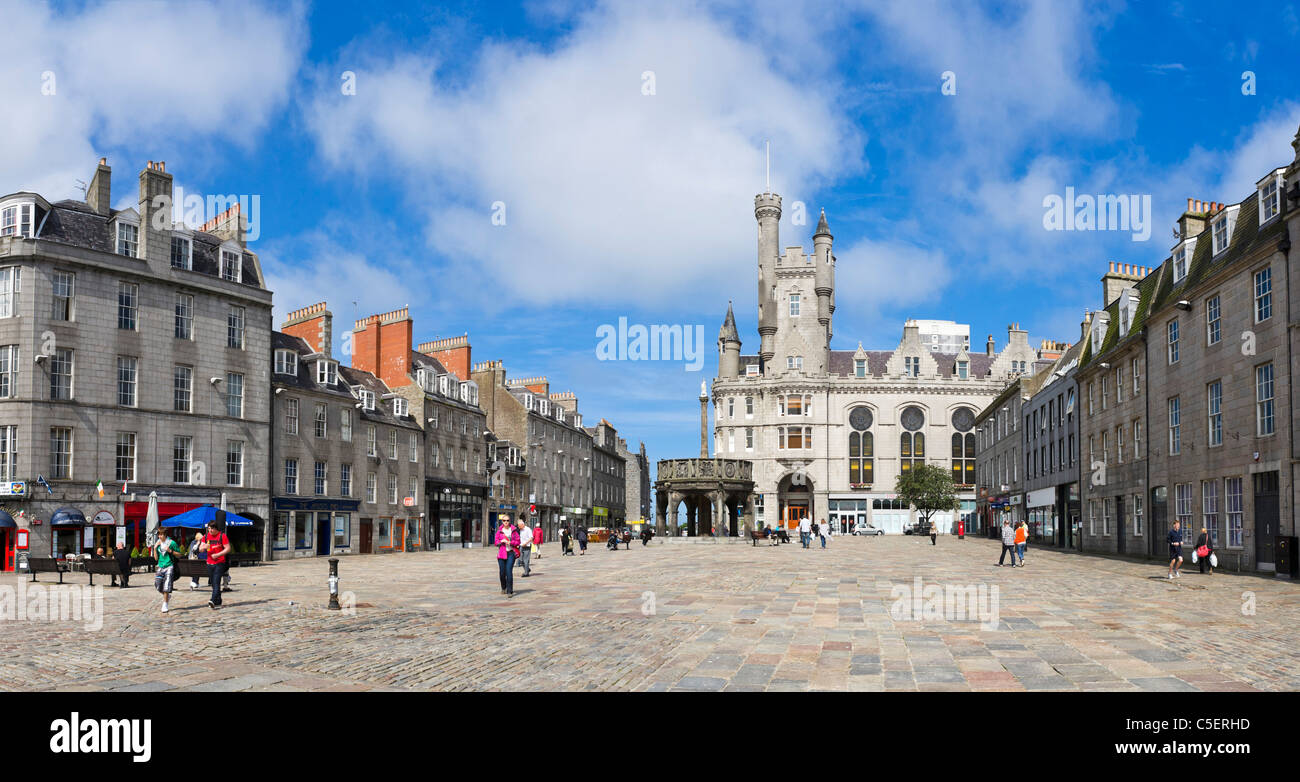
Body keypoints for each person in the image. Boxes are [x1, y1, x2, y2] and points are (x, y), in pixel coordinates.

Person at [200, 520, 232, 609]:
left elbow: (228, 548)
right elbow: (200, 549)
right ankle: (218, 600)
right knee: (213, 584)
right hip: (209, 563)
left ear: (216, 529)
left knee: (216, 582)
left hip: (220, 562)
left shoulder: (222, 536)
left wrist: (218, 554)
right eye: (209, 528)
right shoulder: (206, 537)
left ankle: (212, 600)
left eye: (212, 529)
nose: (210, 530)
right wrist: (203, 547)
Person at [152, 528, 185, 613]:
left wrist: (170, 551)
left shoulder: (171, 543)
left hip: (169, 566)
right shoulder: (158, 543)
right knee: (158, 585)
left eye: (161, 534)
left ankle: (165, 604)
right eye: (159, 534)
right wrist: (155, 548)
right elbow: (156, 558)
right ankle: (167, 596)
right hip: (160, 566)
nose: (160, 536)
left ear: (165, 535)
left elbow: (179, 555)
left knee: (166, 586)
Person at [495, 520, 520, 597]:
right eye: (504, 520)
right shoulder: (499, 531)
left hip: (511, 553)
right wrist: (500, 541)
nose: (506, 522)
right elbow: (496, 542)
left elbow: (518, 542)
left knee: (509, 571)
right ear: (502, 522)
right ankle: (504, 587)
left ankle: (510, 591)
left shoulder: (514, 530)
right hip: (502, 554)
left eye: (507, 520)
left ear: (509, 521)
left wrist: (511, 542)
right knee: (502, 573)